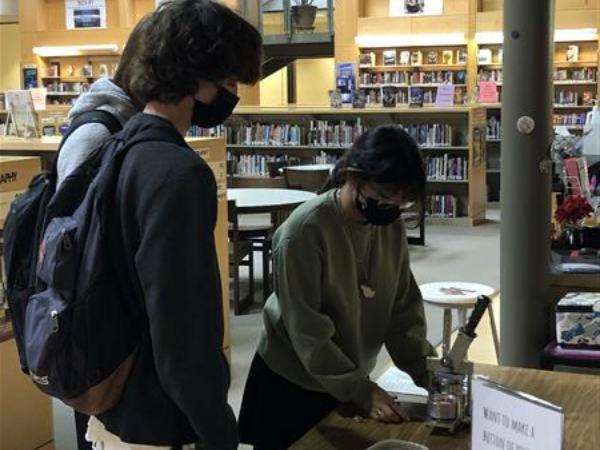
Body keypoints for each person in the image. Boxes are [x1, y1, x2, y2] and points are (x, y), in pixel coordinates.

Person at [82, 1, 262, 449]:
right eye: (229, 79)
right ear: (198, 79)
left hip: (112, 405)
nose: (233, 92)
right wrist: (219, 432)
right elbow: (182, 335)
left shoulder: (118, 146)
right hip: (157, 421)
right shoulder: (178, 173)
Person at [238, 125, 437, 450]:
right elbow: (308, 333)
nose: (391, 208)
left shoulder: (389, 228)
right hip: (292, 381)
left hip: (347, 374)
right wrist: (361, 390)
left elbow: (402, 313)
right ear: (354, 178)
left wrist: (430, 375)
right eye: (385, 196)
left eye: (401, 201)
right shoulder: (303, 232)